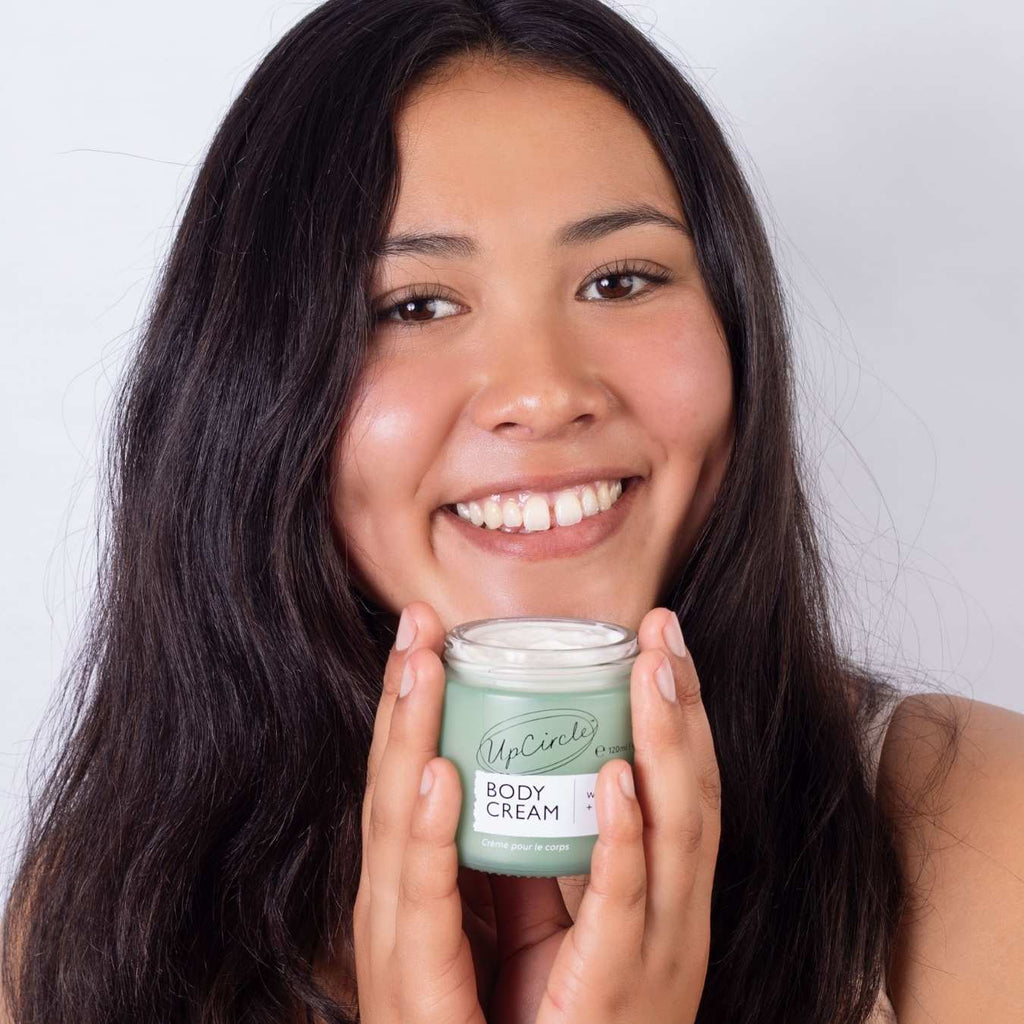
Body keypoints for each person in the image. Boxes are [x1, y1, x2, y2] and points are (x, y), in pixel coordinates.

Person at [3, 1, 1022, 1022]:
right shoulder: (96, 921)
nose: (543, 391)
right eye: (415, 305)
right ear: (251, 391)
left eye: (621, 280)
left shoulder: (982, 833)